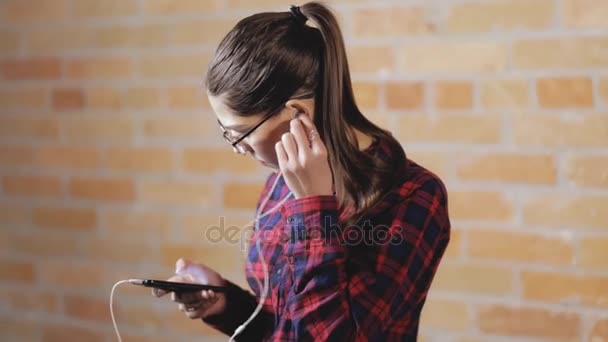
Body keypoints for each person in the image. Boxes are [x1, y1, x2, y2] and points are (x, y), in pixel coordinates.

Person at [153, 2, 450, 341]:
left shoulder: (415, 195)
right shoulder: (280, 185)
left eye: (240, 133)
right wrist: (223, 301)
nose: (238, 148)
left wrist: (313, 207)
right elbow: (284, 325)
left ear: (297, 114)